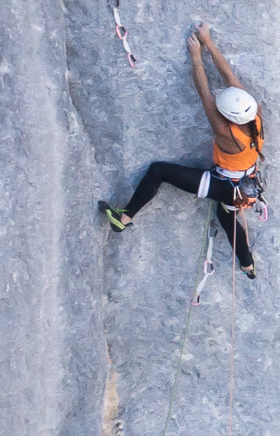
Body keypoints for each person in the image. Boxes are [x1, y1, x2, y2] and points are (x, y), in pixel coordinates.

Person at [101, 22, 268, 276]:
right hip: (244, 182)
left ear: (229, 117)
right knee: (226, 216)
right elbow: (228, 76)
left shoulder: (226, 133)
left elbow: (204, 91)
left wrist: (196, 55)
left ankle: (124, 218)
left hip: (225, 185)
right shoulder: (253, 113)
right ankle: (247, 265)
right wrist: (209, 42)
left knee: (158, 171)